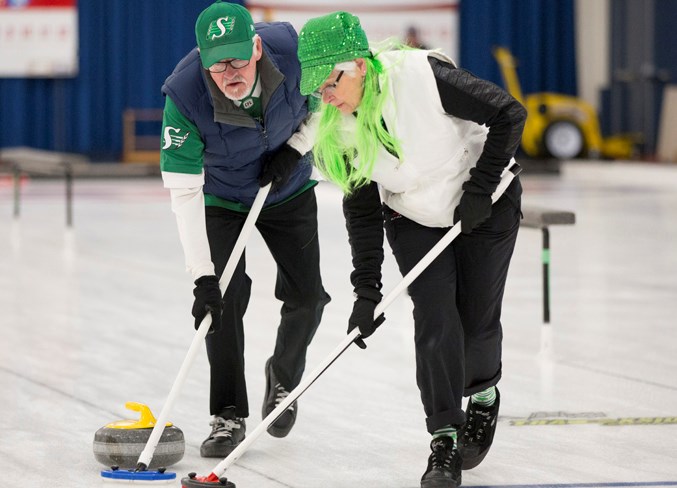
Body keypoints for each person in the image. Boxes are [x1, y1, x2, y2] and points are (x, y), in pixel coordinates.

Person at [297, 12, 526, 488]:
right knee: (436, 317)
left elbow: (507, 113)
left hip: (484, 202)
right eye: (316, 87)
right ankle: (443, 439)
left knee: (476, 319)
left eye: (330, 82)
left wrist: (480, 189)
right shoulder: (333, 126)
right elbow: (361, 210)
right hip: (414, 214)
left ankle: (483, 396)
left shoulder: (424, 76)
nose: (326, 96)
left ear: (358, 64)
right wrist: (367, 292)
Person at [160, 1, 330, 458]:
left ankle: (284, 378)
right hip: (221, 196)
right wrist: (202, 276)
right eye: (217, 65)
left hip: (289, 186)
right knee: (225, 297)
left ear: (256, 46)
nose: (230, 71)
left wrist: (296, 148)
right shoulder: (184, 96)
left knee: (308, 296)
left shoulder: (293, 53)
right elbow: (183, 192)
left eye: (238, 58)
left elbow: (327, 104)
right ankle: (227, 415)